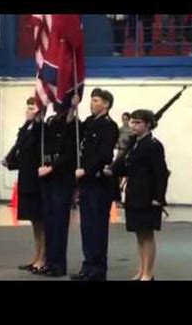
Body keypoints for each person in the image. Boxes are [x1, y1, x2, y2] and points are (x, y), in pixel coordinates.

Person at [109, 109, 168, 281]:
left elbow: (161, 173)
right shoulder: (134, 143)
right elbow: (127, 167)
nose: (133, 125)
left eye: (138, 122)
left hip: (148, 195)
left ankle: (148, 273)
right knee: (139, 234)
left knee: (147, 235)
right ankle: (141, 269)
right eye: (132, 122)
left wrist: (159, 197)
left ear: (148, 124)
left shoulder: (154, 144)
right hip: (134, 193)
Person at [70, 88, 119, 281]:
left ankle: (98, 270)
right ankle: (88, 265)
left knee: (98, 227)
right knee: (87, 226)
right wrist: (73, 108)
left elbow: (104, 154)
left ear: (106, 104)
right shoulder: (90, 123)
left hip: (99, 182)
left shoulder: (109, 126)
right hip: (86, 183)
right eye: (91, 100)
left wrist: (86, 170)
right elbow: (75, 134)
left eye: (96, 100)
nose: (92, 103)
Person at [2, 97, 45, 273]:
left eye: (32, 108)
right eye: (28, 107)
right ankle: (36, 256)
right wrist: (9, 160)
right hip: (26, 177)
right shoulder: (25, 128)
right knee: (34, 222)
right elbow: (19, 148)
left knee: (42, 221)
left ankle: (43, 257)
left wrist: (37, 120)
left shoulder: (40, 129)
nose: (29, 111)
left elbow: (35, 150)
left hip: (37, 180)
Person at [37, 99, 79, 277]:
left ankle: (58, 265)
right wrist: (39, 117)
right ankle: (49, 260)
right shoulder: (51, 122)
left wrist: (53, 167)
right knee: (49, 223)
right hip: (48, 178)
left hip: (62, 178)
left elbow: (70, 152)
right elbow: (42, 142)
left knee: (59, 224)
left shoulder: (73, 124)